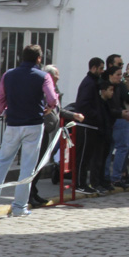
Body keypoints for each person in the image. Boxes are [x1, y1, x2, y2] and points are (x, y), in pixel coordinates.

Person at [0, 45, 57, 218]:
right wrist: (50, 107)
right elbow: (52, 98)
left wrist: (6, 112)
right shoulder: (44, 76)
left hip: (13, 124)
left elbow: (0, 102)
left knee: (1, 163)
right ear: (39, 59)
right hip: (34, 124)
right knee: (27, 167)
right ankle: (19, 206)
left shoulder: (8, 75)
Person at [32, 65, 83, 206]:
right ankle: (30, 194)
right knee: (35, 165)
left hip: (48, 131)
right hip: (39, 130)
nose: (58, 79)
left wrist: (74, 115)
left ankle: (33, 192)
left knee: (41, 164)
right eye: (56, 77)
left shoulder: (54, 90)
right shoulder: (42, 89)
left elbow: (58, 110)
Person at [73, 57, 108, 194]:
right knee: (82, 157)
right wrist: (95, 116)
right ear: (93, 68)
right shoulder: (89, 83)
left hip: (92, 125)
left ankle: (82, 183)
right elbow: (83, 104)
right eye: (100, 68)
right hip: (87, 125)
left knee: (87, 157)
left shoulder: (94, 82)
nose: (102, 71)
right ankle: (79, 184)